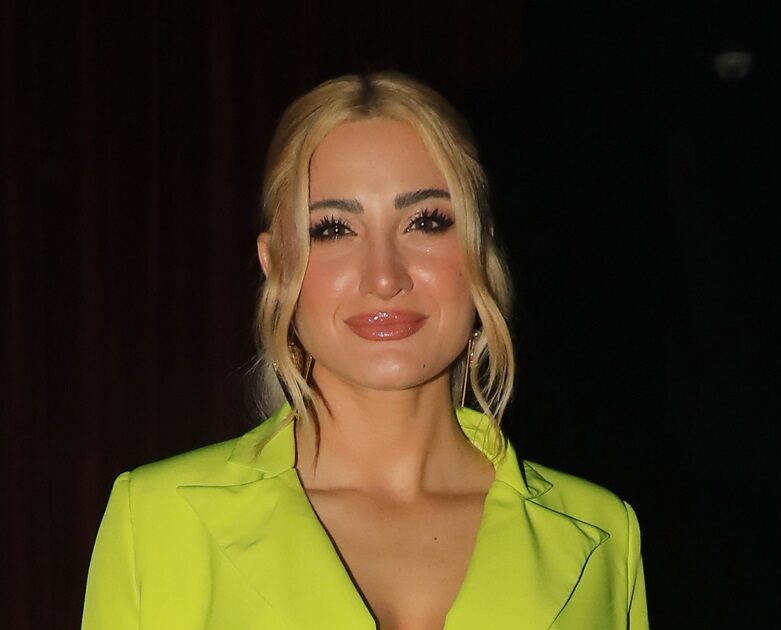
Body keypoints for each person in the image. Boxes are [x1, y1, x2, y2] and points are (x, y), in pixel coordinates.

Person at [81, 71, 648, 630]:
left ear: (481, 249)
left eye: (425, 222)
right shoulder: (156, 521)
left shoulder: (601, 536)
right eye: (333, 229)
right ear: (276, 265)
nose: (383, 277)